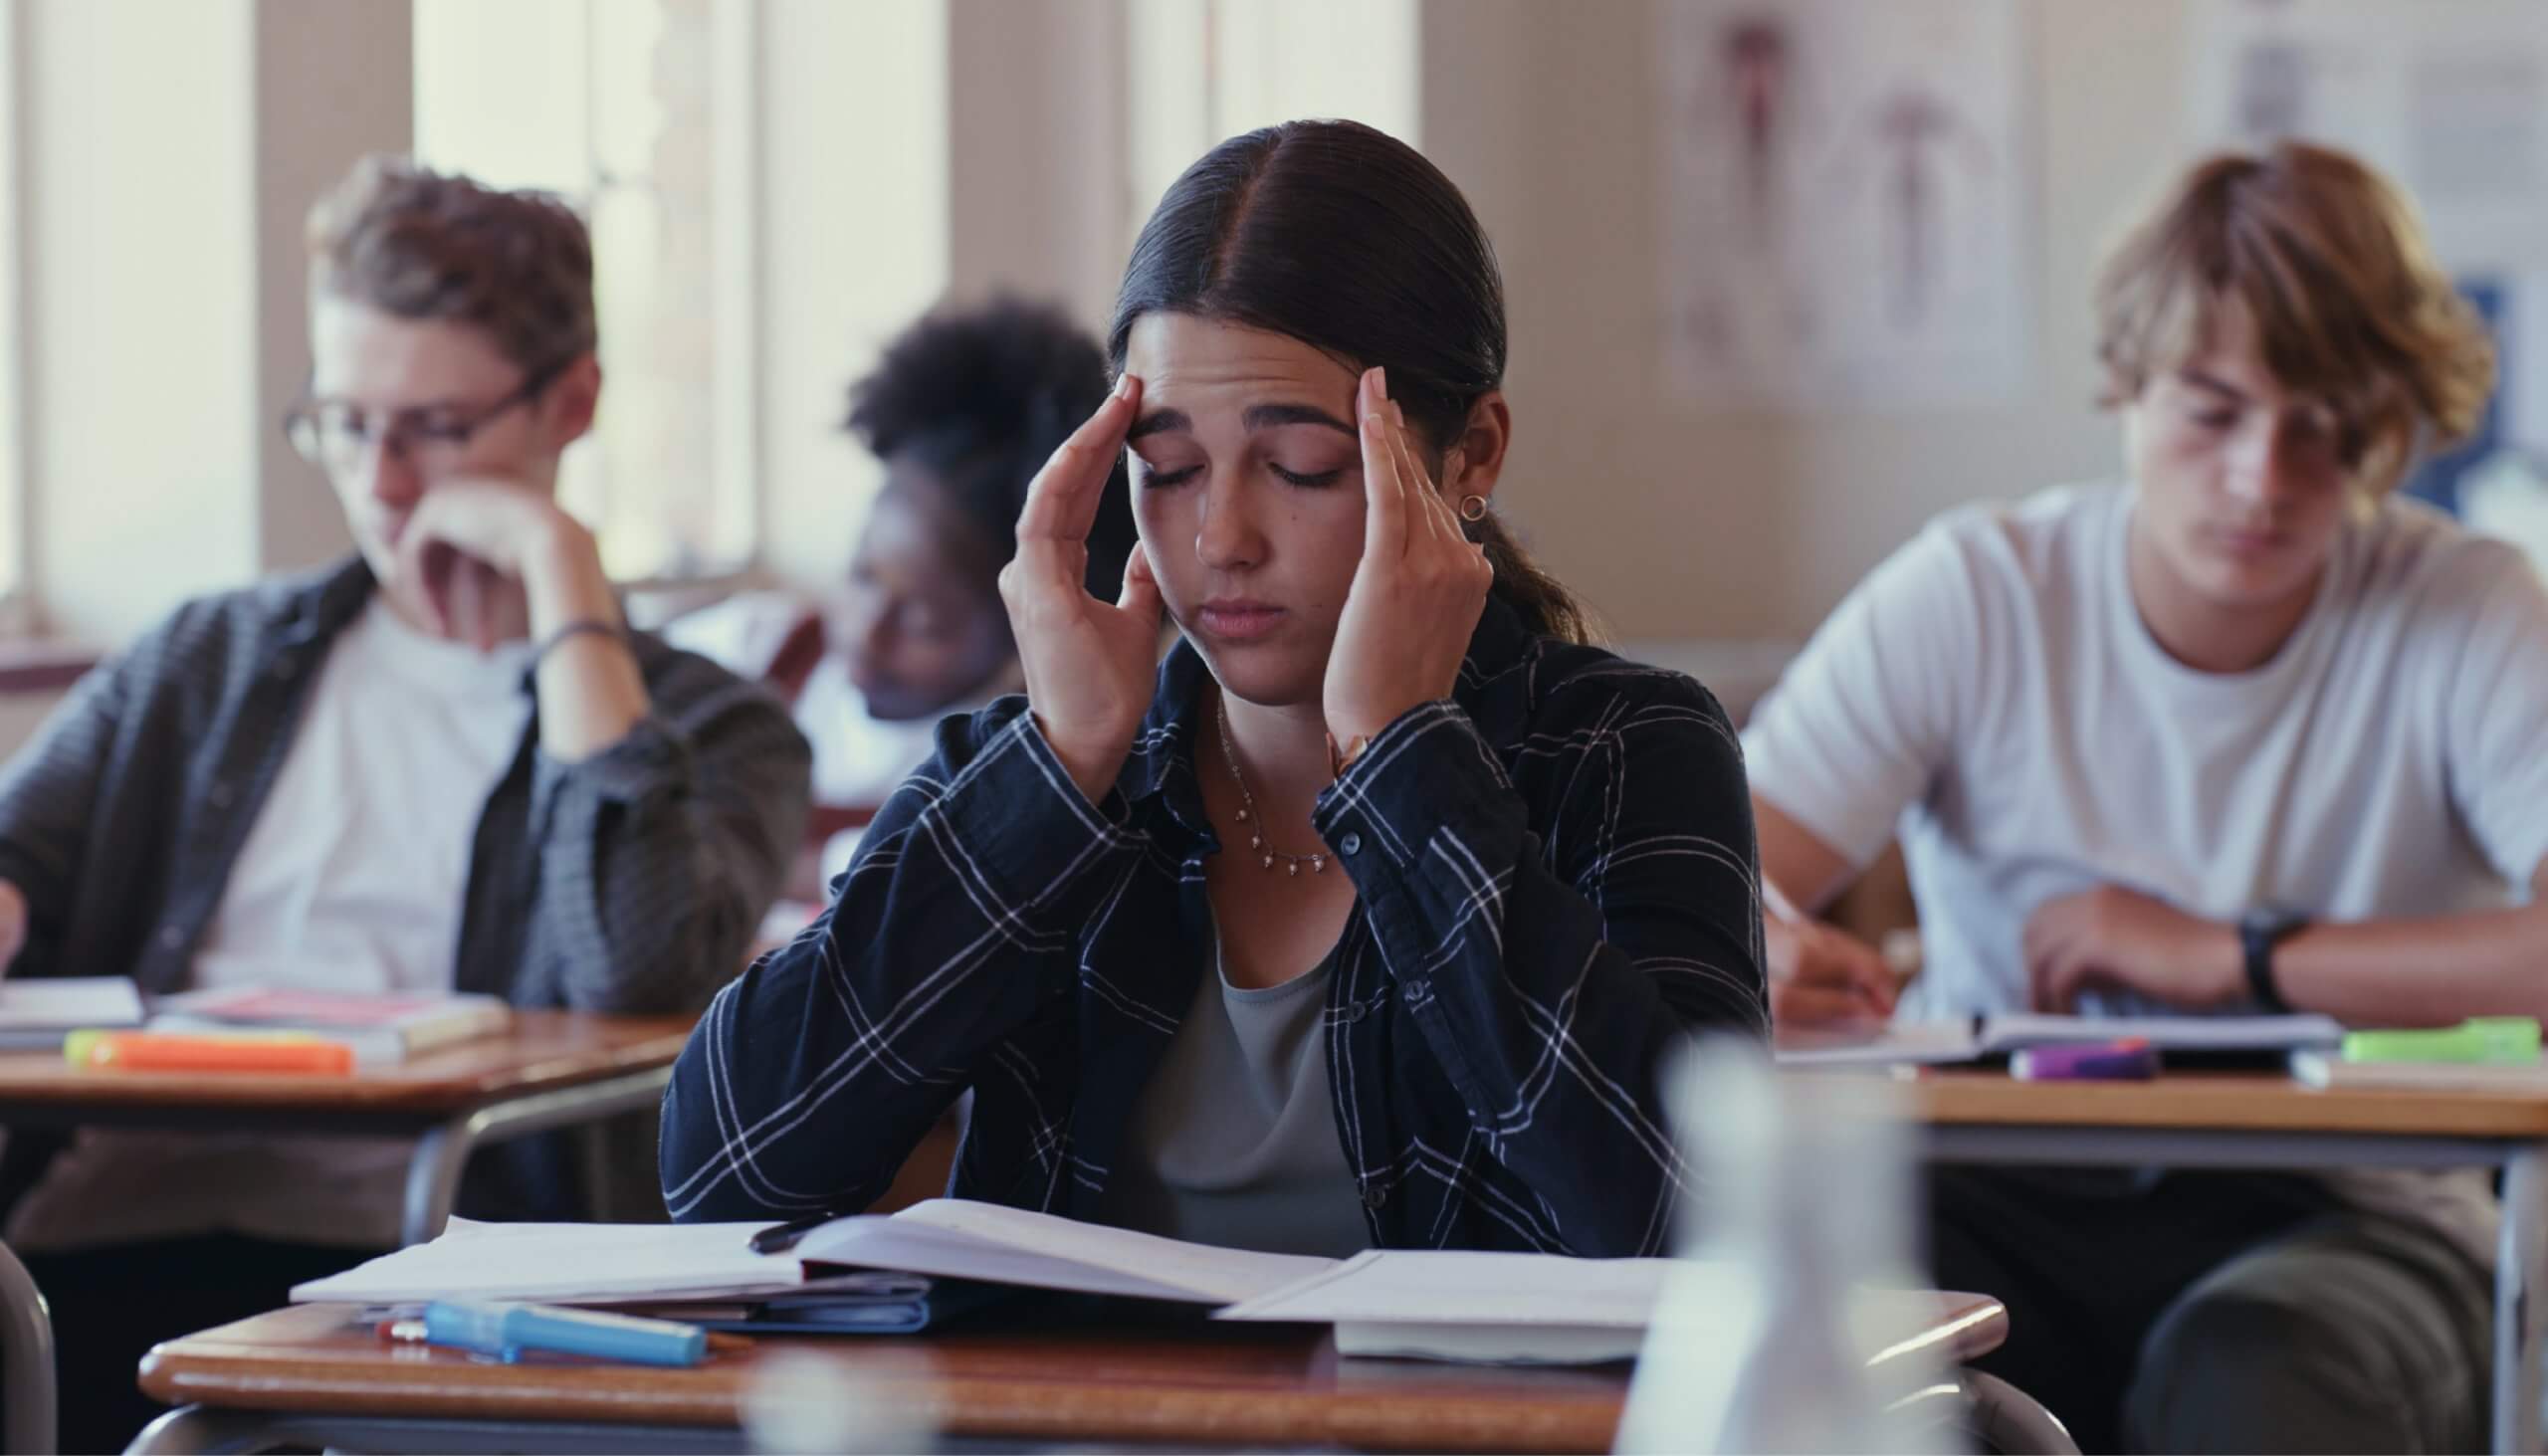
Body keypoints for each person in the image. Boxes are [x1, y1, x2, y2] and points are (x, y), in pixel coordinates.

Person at [660, 119, 1767, 1259]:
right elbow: (726, 1169)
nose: (1223, 537)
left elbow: (1693, 1223)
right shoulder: (1058, 768)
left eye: (1301, 467)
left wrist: (1403, 759)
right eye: (1170, 468)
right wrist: (1061, 768)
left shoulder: (1624, 747)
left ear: (1470, 453)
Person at [0, 155, 810, 1450]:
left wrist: (561, 574)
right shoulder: (212, 656)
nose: (380, 481)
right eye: (343, 420)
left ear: (571, 401)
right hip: (105, 1230)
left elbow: (641, 958)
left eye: (433, 429)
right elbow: (17, 856)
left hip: (430, 1266)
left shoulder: (718, 723)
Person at [1745, 141, 2544, 1452]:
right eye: (2213, 409)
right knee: (1849, 1345)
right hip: (2002, 1188)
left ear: (2390, 418)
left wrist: (2232, 955)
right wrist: (1758, 932)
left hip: (2360, 1213)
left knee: (2255, 1377)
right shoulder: (1980, 590)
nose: (2264, 477)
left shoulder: (2467, 606)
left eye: (2326, 423)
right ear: (2127, 383)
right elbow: (1701, 866)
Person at [667, 298, 1136, 882]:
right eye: (864, 575)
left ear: (1017, 643)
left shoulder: (988, 775)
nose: (868, 627)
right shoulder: (758, 646)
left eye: (924, 623)